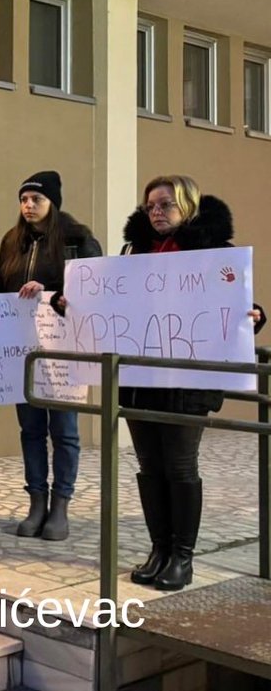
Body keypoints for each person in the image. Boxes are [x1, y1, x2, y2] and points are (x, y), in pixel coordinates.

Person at [115, 175, 264, 590]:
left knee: (179, 465)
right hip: (142, 378)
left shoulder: (216, 254)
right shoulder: (133, 252)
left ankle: (182, 556)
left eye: (166, 204)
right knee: (149, 466)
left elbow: (238, 305)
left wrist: (253, 315)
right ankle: (158, 549)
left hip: (189, 380)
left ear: (188, 205)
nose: (157, 212)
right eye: (151, 207)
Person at [0, 171, 101, 541]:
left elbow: (94, 293)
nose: (28, 206)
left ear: (53, 203)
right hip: (22, 350)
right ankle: (36, 502)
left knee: (65, 431)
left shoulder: (77, 239)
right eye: (23, 199)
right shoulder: (11, 241)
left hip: (64, 352)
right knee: (31, 430)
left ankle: (60, 507)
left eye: (36, 199)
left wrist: (50, 291)